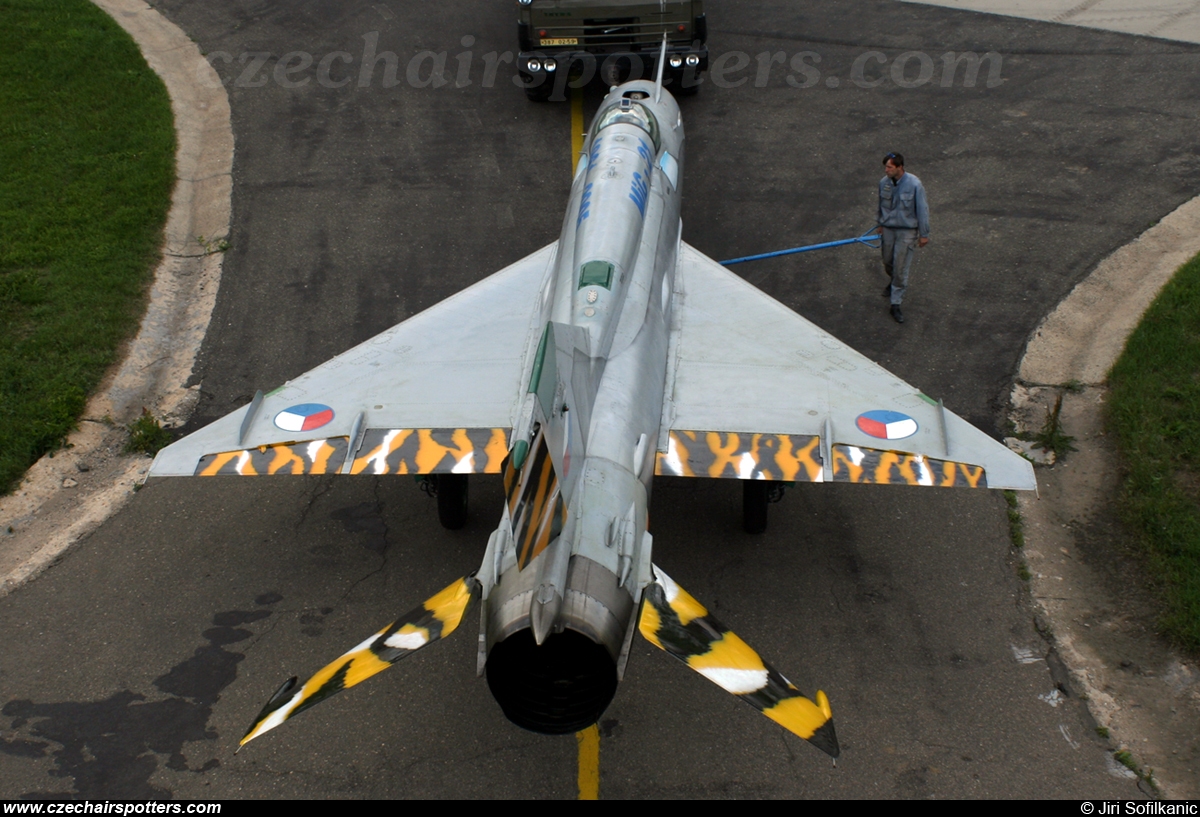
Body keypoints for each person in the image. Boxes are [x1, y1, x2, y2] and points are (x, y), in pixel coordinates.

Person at [875, 152, 930, 324]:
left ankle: (896, 303)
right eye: (886, 167)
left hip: (907, 231)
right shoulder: (884, 183)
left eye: (890, 167)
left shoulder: (915, 184)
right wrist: (880, 224)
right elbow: (880, 205)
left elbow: (922, 209)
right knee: (887, 261)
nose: (886, 170)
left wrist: (924, 233)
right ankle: (893, 281)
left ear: (900, 167)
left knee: (900, 267)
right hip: (889, 229)